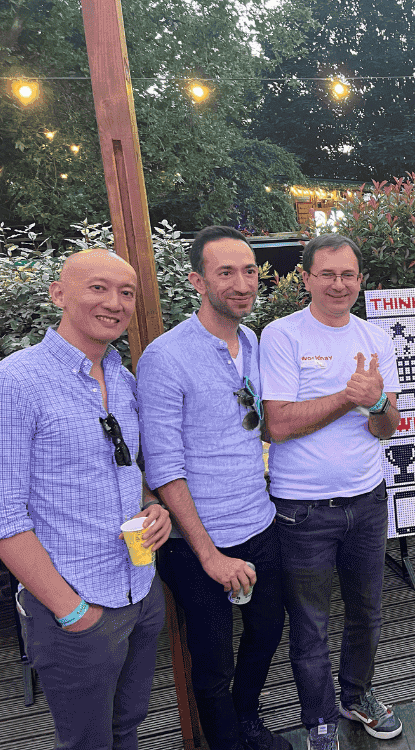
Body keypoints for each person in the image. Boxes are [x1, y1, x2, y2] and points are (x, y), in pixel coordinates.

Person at [0, 249, 171, 749]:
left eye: (126, 292)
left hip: (139, 588)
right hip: (75, 606)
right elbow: (0, 516)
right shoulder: (13, 382)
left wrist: (154, 507)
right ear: (58, 294)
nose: (114, 302)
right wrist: (71, 611)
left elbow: (126, 471)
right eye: (97, 287)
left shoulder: (121, 376)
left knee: (127, 727)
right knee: (87, 743)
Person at [137, 226, 288, 750]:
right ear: (197, 281)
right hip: (195, 540)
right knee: (211, 660)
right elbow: (163, 467)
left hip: (259, 520)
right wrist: (209, 555)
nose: (242, 283)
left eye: (249, 271)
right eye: (226, 273)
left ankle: (248, 719)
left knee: (267, 631)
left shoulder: (251, 340)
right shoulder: (165, 357)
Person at [260, 234, 403, 750]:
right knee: (311, 622)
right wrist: (349, 396)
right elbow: (276, 423)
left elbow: (386, 427)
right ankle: (318, 718)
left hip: (367, 498)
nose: (339, 284)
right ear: (306, 279)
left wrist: (379, 399)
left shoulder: (375, 338)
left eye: (348, 275)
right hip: (302, 509)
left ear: (360, 280)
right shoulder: (282, 336)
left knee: (367, 611)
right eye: (327, 274)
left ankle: (356, 696)